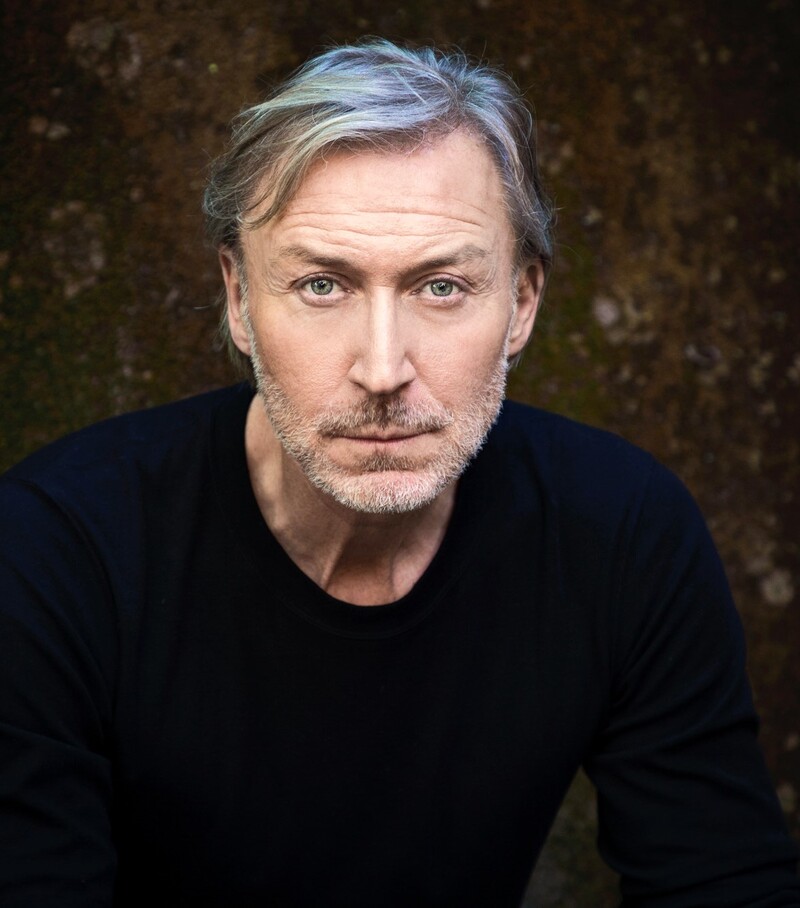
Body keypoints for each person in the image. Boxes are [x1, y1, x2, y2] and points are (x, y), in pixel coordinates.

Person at [0, 39, 797, 908]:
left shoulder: (623, 531)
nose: (383, 370)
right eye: (322, 285)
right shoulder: (53, 551)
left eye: (441, 286)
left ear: (522, 303)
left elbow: (722, 882)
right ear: (238, 298)